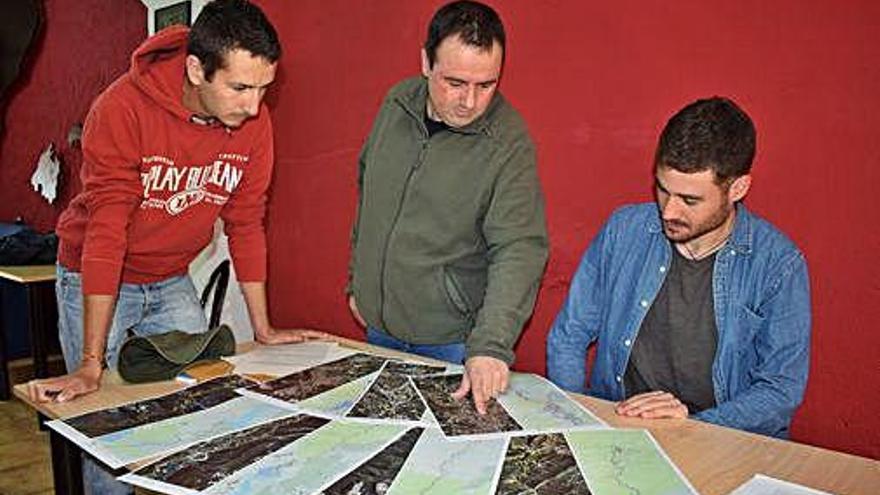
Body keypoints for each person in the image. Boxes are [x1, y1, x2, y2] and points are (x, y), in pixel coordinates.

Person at [28, 0, 328, 405]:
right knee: (100, 414)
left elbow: (246, 222)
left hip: (170, 277)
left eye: (263, 89)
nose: (254, 106)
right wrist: (89, 363)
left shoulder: (254, 123)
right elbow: (107, 232)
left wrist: (264, 328)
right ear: (195, 70)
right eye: (239, 88)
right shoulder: (121, 109)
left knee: (196, 401)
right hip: (97, 275)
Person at [547, 97, 811, 438]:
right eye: (662, 189)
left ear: (738, 188)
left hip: (720, 439)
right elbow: (569, 335)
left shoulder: (778, 264)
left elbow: (780, 390)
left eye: (690, 200)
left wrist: (692, 426)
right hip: (618, 430)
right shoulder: (623, 229)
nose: (669, 211)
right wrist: (578, 420)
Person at [347, 0, 548, 414]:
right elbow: (370, 196)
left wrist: (490, 345)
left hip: (452, 343)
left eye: (486, 85)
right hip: (377, 329)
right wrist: (357, 282)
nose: (469, 101)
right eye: (455, 82)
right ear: (425, 62)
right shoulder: (397, 103)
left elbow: (520, 249)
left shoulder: (508, 143)